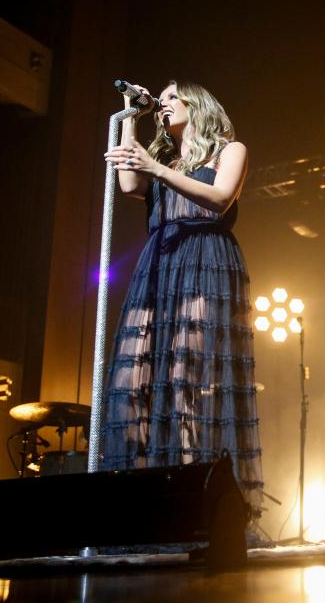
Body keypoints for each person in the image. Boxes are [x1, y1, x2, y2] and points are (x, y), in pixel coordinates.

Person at [100, 81, 263, 512]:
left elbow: (219, 199)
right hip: (161, 260)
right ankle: (142, 498)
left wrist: (158, 169)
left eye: (172, 97)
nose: (164, 104)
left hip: (203, 257)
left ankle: (194, 498)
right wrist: (130, 116)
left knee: (182, 379)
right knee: (132, 380)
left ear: (198, 104)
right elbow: (129, 184)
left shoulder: (230, 151)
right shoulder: (165, 160)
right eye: (162, 99)